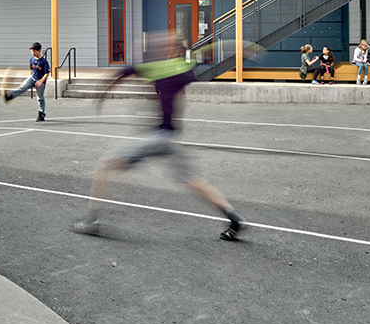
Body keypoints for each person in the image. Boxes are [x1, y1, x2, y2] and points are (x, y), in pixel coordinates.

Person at [71, 36, 245, 242]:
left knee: (105, 165)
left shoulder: (159, 68)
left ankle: (92, 221)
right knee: (193, 180)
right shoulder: (182, 71)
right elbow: (180, 93)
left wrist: (100, 97)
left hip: (159, 138)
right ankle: (233, 219)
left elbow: (121, 74)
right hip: (169, 137)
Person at [3, 42, 48, 122]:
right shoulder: (32, 59)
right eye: (32, 51)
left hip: (40, 81)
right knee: (22, 88)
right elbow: (32, 70)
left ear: (39, 51)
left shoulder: (44, 61)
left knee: (40, 98)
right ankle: (9, 96)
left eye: (34, 51)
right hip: (32, 78)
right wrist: (30, 79)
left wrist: (40, 81)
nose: (33, 53)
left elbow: (47, 73)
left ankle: (41, 114)